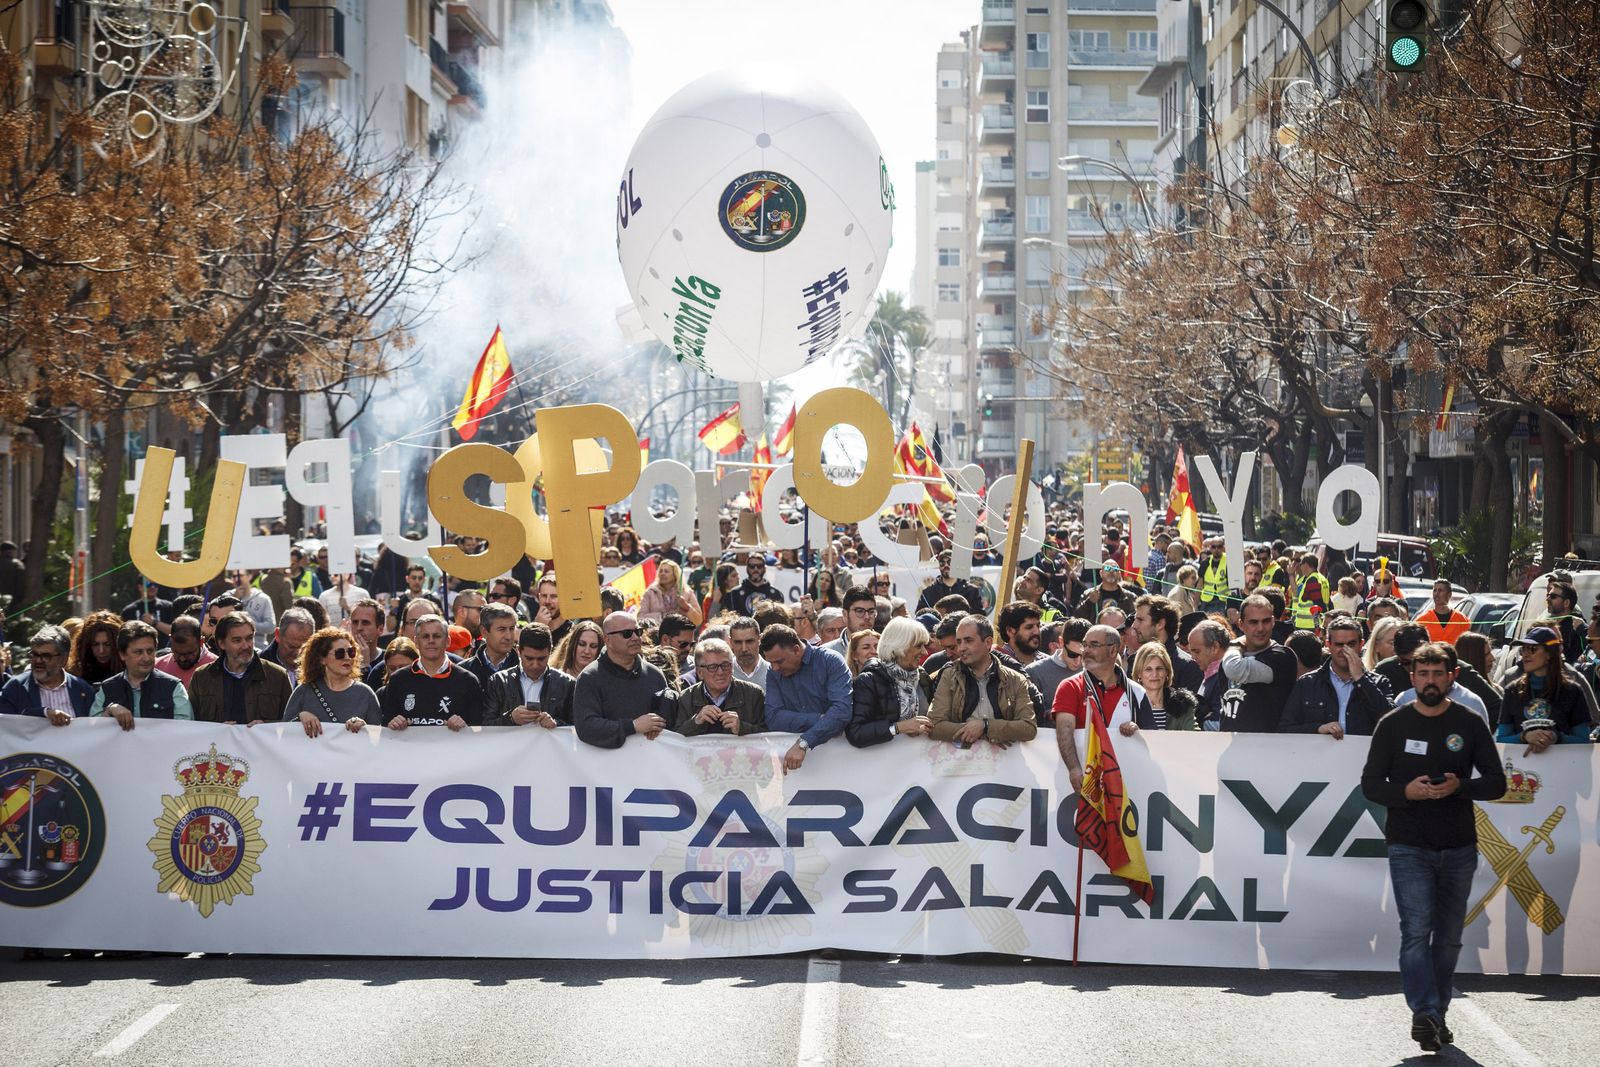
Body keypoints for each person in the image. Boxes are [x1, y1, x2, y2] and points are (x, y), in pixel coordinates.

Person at [1361, 642, 1506, 1053]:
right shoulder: (1392, 724)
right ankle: (1423, 1010)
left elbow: (1497, 782)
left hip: (1459, 844)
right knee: (1415, 932)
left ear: (1452, 676)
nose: (1429, 681)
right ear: (1412, 677)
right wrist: (1405, 791)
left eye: (1437, 674)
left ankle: (1436, 1015)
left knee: (1448, 939)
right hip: (1408, 844)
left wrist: (1463, 786)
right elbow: (1370, 784)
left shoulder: (1470, 722)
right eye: (1422, 674)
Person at [1050, 623, 1146, 789]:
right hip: (1082, 782)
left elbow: (1151, 740)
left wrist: (1137, 731)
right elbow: (1064, 729)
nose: (1085, 651)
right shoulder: (1070, 686)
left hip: (1127, 784)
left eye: (1094, 645)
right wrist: (1073, 769)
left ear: (1113, 650)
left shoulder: (1137, 692)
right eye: (1084, 645)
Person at [929, 616, 1040, 745]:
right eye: (959, 642)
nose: (961, 648)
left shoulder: (1015, 679)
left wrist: (986, 726)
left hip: (1004, 762)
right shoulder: (949, 676)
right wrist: (974, 731)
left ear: (988, 642)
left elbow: (1028, 728)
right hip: (959, 762)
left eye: (968, 641)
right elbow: (935, 725)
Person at [1278, 617, 1393, 738]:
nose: (1344, 650)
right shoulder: (1307, 683)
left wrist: (1361, 679)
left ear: (1361, 645)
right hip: (1319, 755)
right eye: (1339, 645)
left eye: (1351, 644)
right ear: (1328, 645)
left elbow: (1390, 722)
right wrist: (1318, 729)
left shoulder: (1379, 682)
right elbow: (1285, 728)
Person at [572, 611, 672, 748]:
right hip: (604, 765)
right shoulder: (590, 677)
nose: (635, 638)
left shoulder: (654, 675)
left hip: (649, 762)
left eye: (638, 632)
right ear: (607, 640)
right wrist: (632, 726)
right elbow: (586, 727)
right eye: (627, 634)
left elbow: (668, 721)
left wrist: (658, 725)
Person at [760, 625, 852, 772]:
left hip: (841, 763)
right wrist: (822, 720)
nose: (775, 668)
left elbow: (841, 712)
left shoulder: (830, 661)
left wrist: (804, 743)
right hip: (797, 770)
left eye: (779, 661)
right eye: (771, 662)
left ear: (796, 649)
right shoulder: (773, 672)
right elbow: (773, 718)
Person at [1496, 625, 1594, 748]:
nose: (1525, 655)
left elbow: (1583, 741)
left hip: (1564, 765)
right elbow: (1501, 739)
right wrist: (1524, 736)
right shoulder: (1512, 690)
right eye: (1523, 649)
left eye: (1532, 649)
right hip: (1521, 766)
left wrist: (1556, 737)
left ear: (1549, 654)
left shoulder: (1573, 691)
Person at [380, 615, 483, 731]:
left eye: (437, 636)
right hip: (410, 749)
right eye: (425, 636)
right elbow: (386, 729)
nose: (431, 641)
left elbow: (478, 731)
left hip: (453, 748)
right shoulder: (398, 679)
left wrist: (465, 727)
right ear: (416, 642)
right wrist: (393, 724)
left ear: (448, 641)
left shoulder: (468, 681)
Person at [189, 611, 293, 725]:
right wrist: (217, 730)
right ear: (222, 644)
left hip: (260, 743)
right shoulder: (202, 677)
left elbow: (290, 722)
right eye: (237, 641)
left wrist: (266, 726)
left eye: (249, 638)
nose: (245, 646)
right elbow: (191, 724)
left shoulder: (277, 676)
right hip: (216, 743)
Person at [1217, 594, 1299, 732]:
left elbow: (1235, 669)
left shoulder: (1282, 657)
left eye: (1266, 621)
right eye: (1253, 622)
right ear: (1241, 624)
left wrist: (1235, 645)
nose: (1261, 628)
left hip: (1267, 748)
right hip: (1233, 747)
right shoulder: (1231, 657)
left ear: (1273, 621)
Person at [847, 617, 933, 746]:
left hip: (919, 762)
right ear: (900, 645)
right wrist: (898, 728)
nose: (925, 652)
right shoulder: (869, 680)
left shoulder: (922, 677)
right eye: (918, 646)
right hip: (880, 763)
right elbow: (856, 733)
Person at [89, 620, 193, 728]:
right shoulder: (107, 688)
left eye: (150, 651)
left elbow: (185, 730)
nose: (146, 658)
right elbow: (93, 731)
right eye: (138, 652)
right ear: (122, 654)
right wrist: (110, 710)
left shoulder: (173, 687)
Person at [282, 627, 380, 737]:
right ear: (322, 659)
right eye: (340, 653)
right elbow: (284, 736)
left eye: (351, 652)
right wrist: (300, 716)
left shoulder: (365, 693)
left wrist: (364, 727)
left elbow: (378, 739)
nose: (347, 657)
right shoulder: (303, 692)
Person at [0, 624, 94, 723]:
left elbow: (94, 727)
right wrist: (44, 713)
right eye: (34, 654)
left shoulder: (82, 689)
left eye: (46, 656)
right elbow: (5, 726)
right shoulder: (15, 688)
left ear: (63, 660)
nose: (38, 661)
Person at [484, 623, 573, 727]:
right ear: (518, 651)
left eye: (541, 659)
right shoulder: (498, 681)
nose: (535, 665)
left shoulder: (567, 684)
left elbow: (577, 727)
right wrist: (511, 718)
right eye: (529, 658)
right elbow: (486, 726)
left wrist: (556, 724)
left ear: (550, 651)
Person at [673, 637, 766, 736]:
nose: (720, 672)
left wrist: (741, 727)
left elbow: (770, 737)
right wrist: (696, 722)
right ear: (700, 672)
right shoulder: (686, 698)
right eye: (712, 667)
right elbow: (675, 740)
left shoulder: (754, 694)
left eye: (725, 665)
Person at [1132, 594, 1204, 697]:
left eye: (1140, 619)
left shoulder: (1187, 668)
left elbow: (1190, 711)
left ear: (1160, 624)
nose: (1134, 625)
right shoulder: (1133, 661)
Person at [1123, 642, 1199, 733]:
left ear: (1167, 672)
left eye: (1159, 668)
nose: (1154, 674)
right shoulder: (1127, 704)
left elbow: (1195, 736)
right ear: (1139, 673)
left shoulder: (1182, 705)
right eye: (1148, 669)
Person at [1026, 618, 1089, 708]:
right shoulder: (1034, 672)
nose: (1078, 662)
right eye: (1072, 655)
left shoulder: (1096, 672)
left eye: (1084, 656)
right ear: (1061, 642)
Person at [462, 602, 519, 688]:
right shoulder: (464, 671)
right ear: (484, 632)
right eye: (502, 629)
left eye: (511, 629)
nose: (509, 636)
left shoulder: (526, 671)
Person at [638, 559, 704, 627]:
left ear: (675, 574)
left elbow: (698, 621)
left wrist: (687, 607)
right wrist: (662, 616)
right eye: (660, 571)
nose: (662, 573)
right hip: (657, 633)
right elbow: (640, 617)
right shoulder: (650, 592)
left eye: (666, 571)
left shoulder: (686, 592)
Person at [154, 615, 216, 687]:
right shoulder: (157, 667)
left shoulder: (218, 668)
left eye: (189, 653)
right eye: (177, 653)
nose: (182, 659)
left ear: (201, 642)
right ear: (171, 640)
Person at [262, 607, 316, 687]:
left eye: (304, 648)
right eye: (292, 646)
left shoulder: (320, 668)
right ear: (278, 635)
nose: (298, 653)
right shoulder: (259, 668)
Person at [67, 611, 123, 688]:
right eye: (95, 644)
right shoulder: (77, 672)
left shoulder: (130, 671)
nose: (101, 650)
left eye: (107, 644)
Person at [916, 550, 983, 615]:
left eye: (950, 562)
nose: (946, 566)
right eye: (942, 563)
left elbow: (979, 616)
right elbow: (920, 616)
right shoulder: (929, 592)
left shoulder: (972, 591)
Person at [822, 587, 878, 657]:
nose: (867, 617)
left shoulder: (887, 650)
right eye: (859, 611)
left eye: (871, 611)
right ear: (845, 614)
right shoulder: (826, 653)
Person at [1074, 561, 1138, 622]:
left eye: (1115, 569)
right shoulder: (1089, 594)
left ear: (1119, 574)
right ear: (1101, 573)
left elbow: (1135, 618)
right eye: (1107, 568)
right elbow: (1077, 616)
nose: (1111, 571)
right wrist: (1089, 602)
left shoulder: (1130, 597)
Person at [1543, 579, 1589, 663]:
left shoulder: (1577, 627)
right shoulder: (1549, 624)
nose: (1547, 599)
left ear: (1566, 603)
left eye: (1553, 596)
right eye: (1548, 595)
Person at [119, 577, 175, 641]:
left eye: (155, 585)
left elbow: (174, 632)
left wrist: (155, 622)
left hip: (164, 649)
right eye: (148, 584)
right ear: (140, 587)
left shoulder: (168, 607)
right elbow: (123, 635)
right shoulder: (129, 610)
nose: (152, 587)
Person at [1419, 579, 1469, 645]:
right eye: (1435, 590)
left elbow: (1467, 645)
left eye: (1440, 590)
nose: (1436, 594)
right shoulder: (1422, 620)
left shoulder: (1461, 619)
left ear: (1449, 595)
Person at [996, 600, 1044, 664]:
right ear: (1010, 631)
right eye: (1029, 627)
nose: (1037, 632)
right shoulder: (996, 664)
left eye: (1038, 626)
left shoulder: (1048, 664)